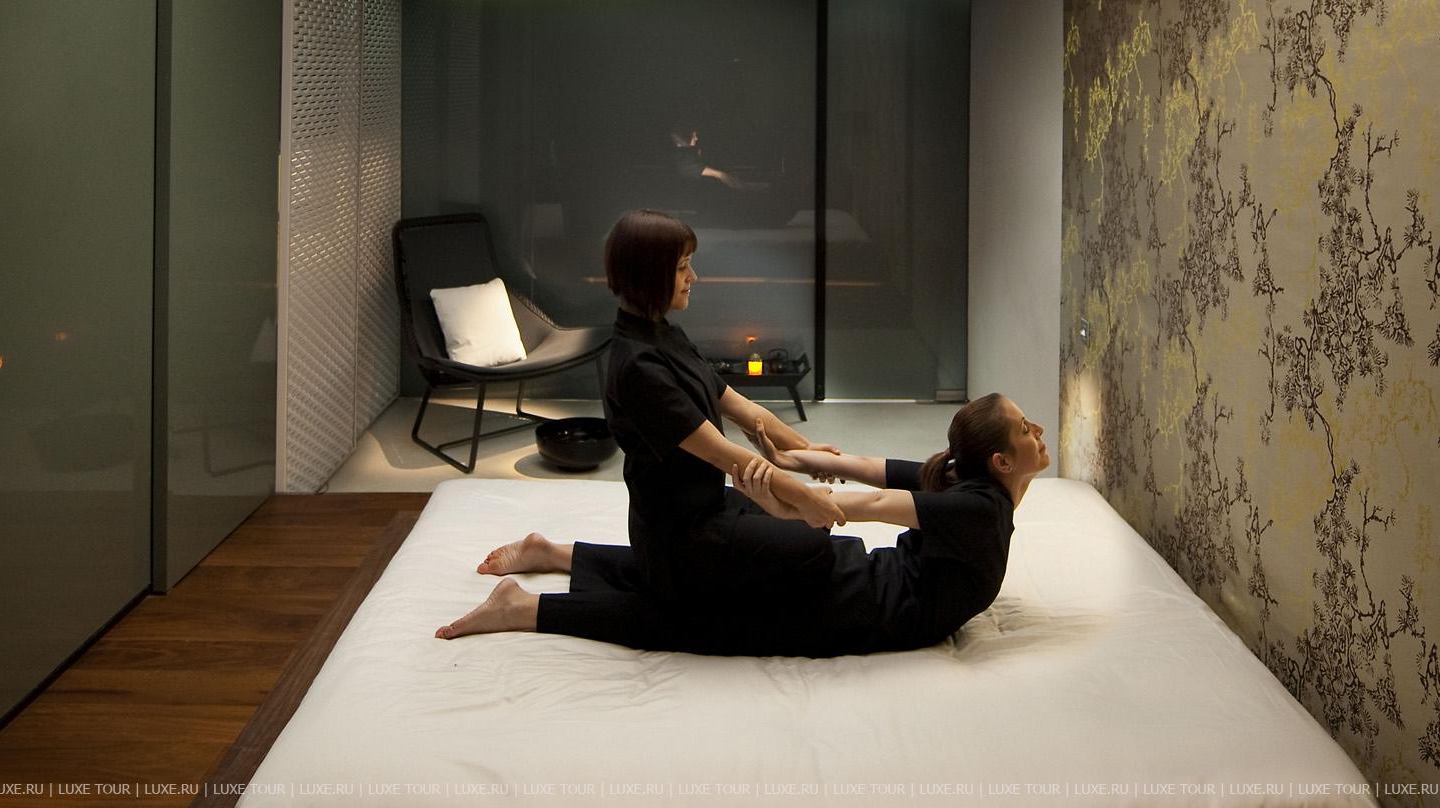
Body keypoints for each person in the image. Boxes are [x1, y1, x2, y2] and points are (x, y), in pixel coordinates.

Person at [435, 393, 1050, 659]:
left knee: (695, 588)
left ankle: (558, 557)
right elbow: (871, 492)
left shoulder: (970, 487)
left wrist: (790, 480)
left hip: (847, 583)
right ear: (1000, 462)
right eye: (1027, 428)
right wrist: (789, 474)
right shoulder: (979, 504)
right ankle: (530, 602)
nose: (1039, 432)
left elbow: (873, 479)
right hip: (850, 602)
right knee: (693, 620)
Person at [589, 209, 844, 615]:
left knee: (810, 524)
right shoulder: (637, 366)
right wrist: (806, 496)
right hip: (680, 537)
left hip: (710, 505)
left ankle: (558, 555)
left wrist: (806, 451)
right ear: (650, 273)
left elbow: (741, 407)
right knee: (814, 545)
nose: (694, 277)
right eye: (682, 267)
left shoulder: (664, 333)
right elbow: (723, 454)